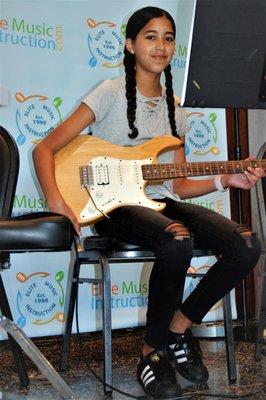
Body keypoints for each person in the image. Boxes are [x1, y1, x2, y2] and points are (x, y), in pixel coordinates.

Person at [33, 6, 264, 400]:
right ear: (130, 44)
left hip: (159, 203)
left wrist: (226, 178)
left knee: (245, 246)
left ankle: (176, 329)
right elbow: (45, 148)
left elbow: (179, 185)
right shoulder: (108, 93)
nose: (161, 46)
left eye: (168, 37)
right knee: (177, 241)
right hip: (113, 209)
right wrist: (58, 201)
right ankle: (150, 353)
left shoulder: (177, 110)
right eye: (151, 36)